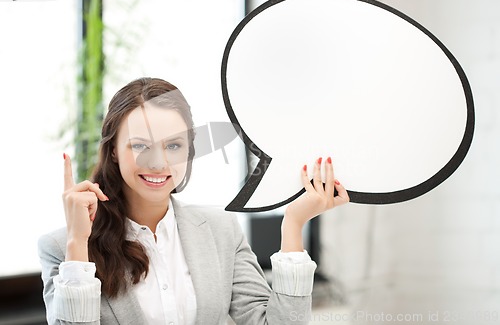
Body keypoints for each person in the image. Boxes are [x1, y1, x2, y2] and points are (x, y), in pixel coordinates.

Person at [38, 77, 350, 325]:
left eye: (173, 145)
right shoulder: (60, 249)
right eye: (140, 146)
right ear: (114, 150)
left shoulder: (221, 230)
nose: (159, 163)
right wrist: (78, 242)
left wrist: (293, 224)